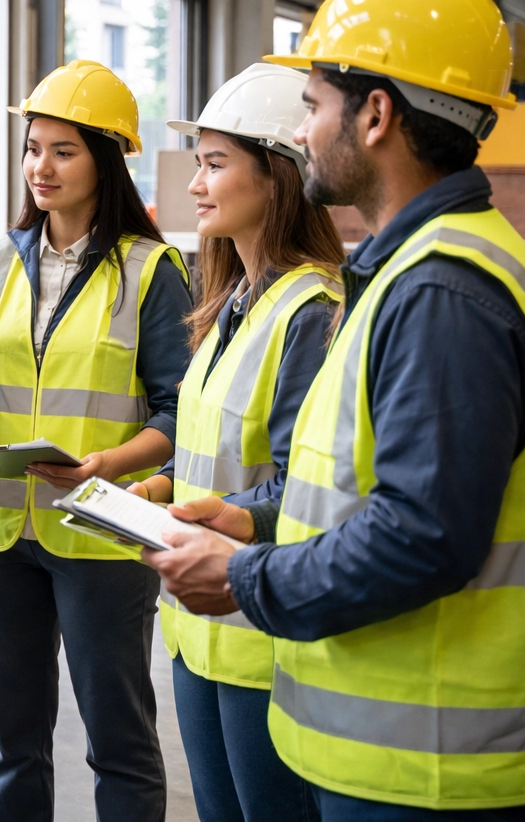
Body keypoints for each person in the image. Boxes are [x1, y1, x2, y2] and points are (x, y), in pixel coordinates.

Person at [145, 0, 525, 820]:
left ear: (376, 114)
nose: (303, 131)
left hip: (433, 764)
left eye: (313, 107)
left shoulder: (443, 292)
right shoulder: (413, 273)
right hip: (407, 747)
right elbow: (361, 487)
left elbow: (425, 534)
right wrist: (255, 518)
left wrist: (248, 575)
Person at [0, 59, 192, 822]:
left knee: (118, 739)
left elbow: (180, 412)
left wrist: (106, 467)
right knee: (12, 742)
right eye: (32, 148)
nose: (40, 167)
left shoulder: (152, 271)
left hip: (101, 530)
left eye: (63, 150)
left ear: (106, 160)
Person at [140, 62, 341, 822]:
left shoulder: (312, 312)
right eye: (198, 164)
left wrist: (219, 519)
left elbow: (305, 483)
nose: (196, 184)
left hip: (263, 634)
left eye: (216, 165)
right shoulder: (229, 306)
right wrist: (155, 493)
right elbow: (207, 448)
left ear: (280, 176)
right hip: (198, 629)